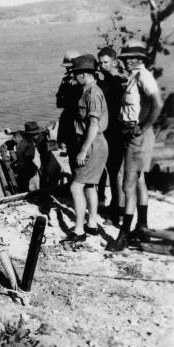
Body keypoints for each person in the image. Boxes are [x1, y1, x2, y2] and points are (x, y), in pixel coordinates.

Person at [107, 40, 163, 251]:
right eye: (125, 57)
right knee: (139, 182)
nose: (127, 60)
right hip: (132, 135)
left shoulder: (144, 76)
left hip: (138, 135)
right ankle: (142, 227)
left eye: (132, 57)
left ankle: (124, 236)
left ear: (140, 59)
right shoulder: (135, 76)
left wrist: (143, 126)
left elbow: (157, 103)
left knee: (127, 186)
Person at [62, 54, 109, 243]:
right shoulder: (87, 91)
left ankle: (79, 231)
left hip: (92, 144)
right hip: (93, 143)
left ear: (83, 74)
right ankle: (91, 225)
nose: (74, 77)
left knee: (76, 186)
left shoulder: (92, 94)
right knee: (89, 186)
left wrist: (83, 150)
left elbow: (93, 125)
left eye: (75, 73)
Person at [97, 47, 127, 226]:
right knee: (112, 170)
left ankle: (119, 212)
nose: (102, 66)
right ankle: (115, 205)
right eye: (100, 63)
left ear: (114, 62)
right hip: (109, 131)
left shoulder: (119, 81)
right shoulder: (108, 80)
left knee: (117, 173)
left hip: (117, 132)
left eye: (105, 62)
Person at [56, 50, 83, 174]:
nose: (69, 71)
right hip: (69, 121)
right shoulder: (65, 82)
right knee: (72, 155)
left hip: (79, 121)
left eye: (70, 68)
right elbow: (59, 103)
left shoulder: (83, 82)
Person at [13, 121, 43, 192]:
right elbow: (28, 160)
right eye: (37, 133)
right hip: (27, 172)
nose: (39, 134)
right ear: (32, 134)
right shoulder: (30, 145)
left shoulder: (21, 142)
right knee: (31, 189)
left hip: (21, 170)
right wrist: (35, 168)